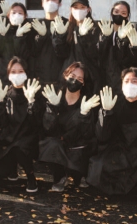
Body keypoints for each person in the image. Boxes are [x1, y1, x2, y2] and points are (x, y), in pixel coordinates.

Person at [86, 67, 137, 197]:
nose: (130, 85)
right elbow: (102, 137)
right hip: (119, 150)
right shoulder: (114, 103)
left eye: (135, 81)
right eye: (126, 81)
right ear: (121, 85)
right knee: (99, 165)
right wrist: (106, 113)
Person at [39, 62, 100, 191]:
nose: (75, 81)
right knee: (51, 144)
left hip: (77, 149)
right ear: (65, 76)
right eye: (72, 76)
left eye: (80, 79)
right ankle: (60, 176)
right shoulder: (55, 96)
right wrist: (52, 107)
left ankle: (77, 174)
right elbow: (47, 128)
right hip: (60, 146)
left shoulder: (86, 102)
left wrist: (83, 114)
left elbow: (88, 134)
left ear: (83, 83)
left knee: (79, 174)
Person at [0, 57, 43, 193]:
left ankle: (31, 176)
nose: (17, 75)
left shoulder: (33, 92)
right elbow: (2, 124)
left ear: (26, 73)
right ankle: (12, 168)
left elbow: (36, 124)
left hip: (27, 140)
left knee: (19, 148)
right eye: (13, 72)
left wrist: (31, 103)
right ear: (8, 74)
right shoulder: (5, 93)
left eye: (21, 71)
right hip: (9, 138)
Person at [52, 0, 101, 94]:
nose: (79, 10)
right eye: (76, 7)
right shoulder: (67, 27)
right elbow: (61, 53)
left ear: (88, 9)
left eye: (82, 7)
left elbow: (94, 54)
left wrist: (84, 37)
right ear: (71, 9)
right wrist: (60, 36)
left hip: (88, 78)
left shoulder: (95, 29)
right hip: (70, 76)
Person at [29, 0, 68, 88]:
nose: (50, 2)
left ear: (60, 3)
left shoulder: (67, 24)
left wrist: (60, 36)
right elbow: (32, 52)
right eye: (47, 0)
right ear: (42, 3)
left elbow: (66, 53)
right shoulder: (35, 24)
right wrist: (41, 37)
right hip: (40, 79)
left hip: (61, 79)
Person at [96, 0, 137, 92]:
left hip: (122, 79)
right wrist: (105, 37)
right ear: (111, 13)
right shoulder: (103, 29)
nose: (119, 15)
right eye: (116, 12)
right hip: (103, 79)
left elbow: (131, 59)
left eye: (123, 13)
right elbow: (98, 54)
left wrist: (123, 41)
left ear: (128, 16)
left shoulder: (131, 32)